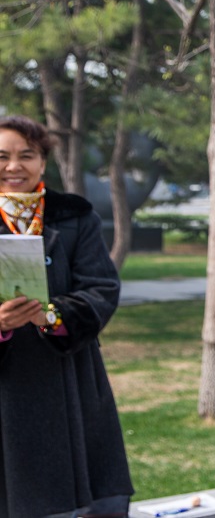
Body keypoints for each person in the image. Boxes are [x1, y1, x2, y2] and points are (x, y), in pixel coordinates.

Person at [0, 115, 133, 517]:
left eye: (26, 155)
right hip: (6, 385)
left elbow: (101, 288)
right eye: (2, 157)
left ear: (43, 162)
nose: (14, 166)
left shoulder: (74, 216)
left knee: (77, 502)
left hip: (69, 379)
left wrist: (53, 316)